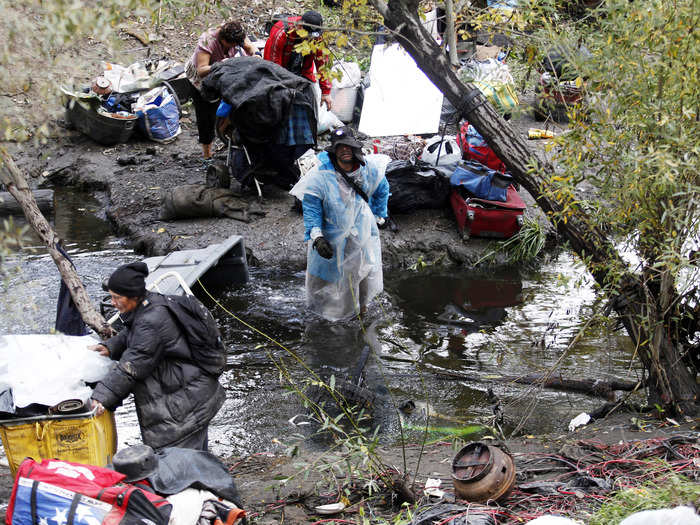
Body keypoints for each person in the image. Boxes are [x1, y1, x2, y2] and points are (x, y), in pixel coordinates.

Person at [89, 262, 225, 451]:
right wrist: (110, 347)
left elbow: (132, 365)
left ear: (133, 296)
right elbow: (133, 335)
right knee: (194, 458)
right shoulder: (150, 303)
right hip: (192, 391)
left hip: (185, 402)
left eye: (116, 297)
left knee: (181, 462)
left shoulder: (151, 321)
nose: (112, 302)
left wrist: (101, 397)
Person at [290, 126, 391, 321]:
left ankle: (360, 312)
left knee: (359, 272)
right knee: (323, 276)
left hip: (360, 231)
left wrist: (379, 215)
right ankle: (321, 314)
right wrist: (317, 236)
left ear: (355, 149)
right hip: (330, 233)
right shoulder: (320, 174)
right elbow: (311, 206)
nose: (345, 150)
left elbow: (382, 187)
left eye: (348, 146)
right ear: (334, 150)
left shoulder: (368, 169)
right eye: (340, 147)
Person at [186, 20, 258, 167]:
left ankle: (228, 137)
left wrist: (255, 55)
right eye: (231, 45)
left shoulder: (237, 34)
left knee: (234, 106)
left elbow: (250, 47)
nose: (234, 48)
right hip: (201, 80)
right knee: (206, 116)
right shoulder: (208, 40)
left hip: (224, 76)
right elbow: (201, 69)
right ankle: (207, 155)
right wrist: (221, 64)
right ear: (223, 40)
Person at [263, 10, 333, 111]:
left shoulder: (316, 36)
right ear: (300, 27)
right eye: (308, 35)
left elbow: (322, 62)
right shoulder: (281, 33)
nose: (310, 39)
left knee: (308, 102)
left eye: (313, 36)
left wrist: (326, 92)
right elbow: (273, 66)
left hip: (301, 70)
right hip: (278, 69)